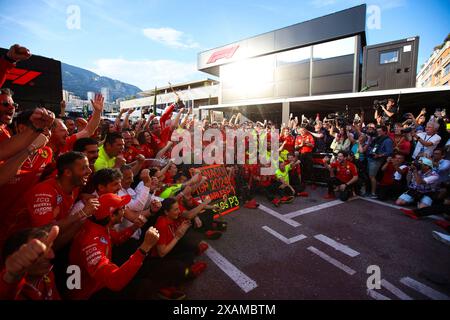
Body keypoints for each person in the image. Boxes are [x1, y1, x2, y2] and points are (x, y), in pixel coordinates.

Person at [68, 193, 160, 300]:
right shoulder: (92, 241)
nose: (125, 210)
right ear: (112, 215)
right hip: (88, 294)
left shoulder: (99, 227)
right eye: (122, 208)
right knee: (144, 285)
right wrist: (145, 247)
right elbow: (115, 281)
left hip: (94, 284)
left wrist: (134, 227)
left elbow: (116, 239)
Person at [0, 225, 60, 300]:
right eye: (39, 250)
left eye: (50, 248)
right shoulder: (10, 292)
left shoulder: (48, 276)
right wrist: (10, 276)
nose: (52, 256)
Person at [367, 126, 393, 198]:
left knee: (372, 176)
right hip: (371, 158)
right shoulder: (378, 138)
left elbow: (389, 152)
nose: (378, 133)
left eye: (380, 131)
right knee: (370, 176)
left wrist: (379, 155)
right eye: (377, 131)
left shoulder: (388, 140)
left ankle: (373, 193)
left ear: (385, 132)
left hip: (377, 160)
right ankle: (370, 191)